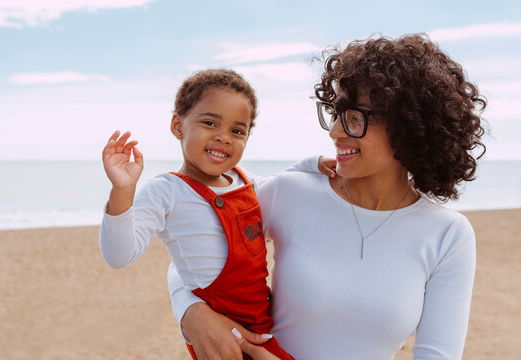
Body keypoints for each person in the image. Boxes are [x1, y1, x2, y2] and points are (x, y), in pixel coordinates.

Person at [168, 34, 487, 359]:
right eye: (335, 113)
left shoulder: (448, 235)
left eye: (354, 117)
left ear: (408, 124)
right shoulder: (289, 193)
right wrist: (191, 311)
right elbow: (190, 246)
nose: (335, 131)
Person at [99, 69, 332, 360]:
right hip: (219, 339)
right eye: (210, 123)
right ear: (177, 125)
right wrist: (122, 190)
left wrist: (317, 163)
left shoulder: (245, 181)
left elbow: (283, 180)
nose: (223, 138)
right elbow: (119, 256)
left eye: (237, 131)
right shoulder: (167, 190)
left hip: (261, 326)